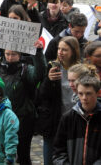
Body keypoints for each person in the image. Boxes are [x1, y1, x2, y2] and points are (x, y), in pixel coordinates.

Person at [0, 40, 46, 165]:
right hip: (2, 120)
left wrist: (38, 53)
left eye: (14, 54)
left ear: (20, 55)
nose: (10, 58)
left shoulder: (26, 70)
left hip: (23, 120)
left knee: (23, 155)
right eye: (7, 54)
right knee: (4, 155)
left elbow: (39, 74)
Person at [37, 36, 81, 165]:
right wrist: (48, 80)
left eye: (64, 50)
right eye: (59, 49)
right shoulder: (52, 66)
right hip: (54, 120)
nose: (60, 52)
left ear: (73, 51)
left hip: (74, 120)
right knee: (49, 159)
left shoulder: (80, 69)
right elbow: (42, 95)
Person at [53, 75, 101, 164]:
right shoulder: (67, 118)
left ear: (98, 93)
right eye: (80, 93)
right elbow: (58, 152)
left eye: (88, 93)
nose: (84, 98)